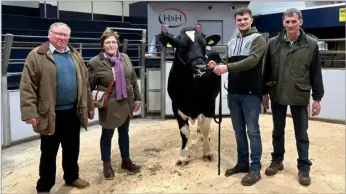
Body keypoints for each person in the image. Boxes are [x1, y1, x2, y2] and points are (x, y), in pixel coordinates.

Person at [19, 22, 94, 193]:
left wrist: (89, 106)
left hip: (73, 112)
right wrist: (30, 112)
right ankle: (44, 186)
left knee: (72, 148)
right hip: (49, 114)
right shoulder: (37, 55)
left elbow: (85, 84)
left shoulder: (75, 55)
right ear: (49, 34)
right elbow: (27, 87)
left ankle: (72, 176)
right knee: (48, 153)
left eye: (65, 35)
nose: (62, 38)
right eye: (58, 34)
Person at [262, 8, 324, 186]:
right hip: (277, 93)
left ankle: (304, 168)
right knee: (277, 131)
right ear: (283, 23)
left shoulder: (311, 45)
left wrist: (317, 98)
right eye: (287, 22)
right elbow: (267, 70)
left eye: (293, 21)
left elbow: (315, 73)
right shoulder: (273, 43)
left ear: (300, 22)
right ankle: (277, 161)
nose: (290, 25)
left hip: (300, 94)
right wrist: (264, 92)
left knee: (301, 133)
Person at [207, 7, 267, 186]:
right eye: (239, 19)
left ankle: (255, 169)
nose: (242, 22)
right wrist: (216, 65)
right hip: (233, 92)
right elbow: (227, 62)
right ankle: (242, 163)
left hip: (250, 93)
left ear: (251, 20)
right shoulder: (232, 42)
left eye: (245, 19)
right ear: (235, 22)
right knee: (238, 131)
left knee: (253, 132)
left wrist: (227, 68)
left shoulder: (258, 39)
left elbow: (252, 61)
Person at [88, 29, 142, 180]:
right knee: (107, 135)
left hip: (126, 102)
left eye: (113, 42)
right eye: (107, 42)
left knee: (124, 133)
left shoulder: (125, 58)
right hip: (109, 105)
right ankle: (107, 164)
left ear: (117, 44)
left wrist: (137, 98)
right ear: (102, 45)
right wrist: (90, 106)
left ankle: (126, 160)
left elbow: (132, 80)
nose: (111, 45)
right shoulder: (94, 62)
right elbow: (88, 86)